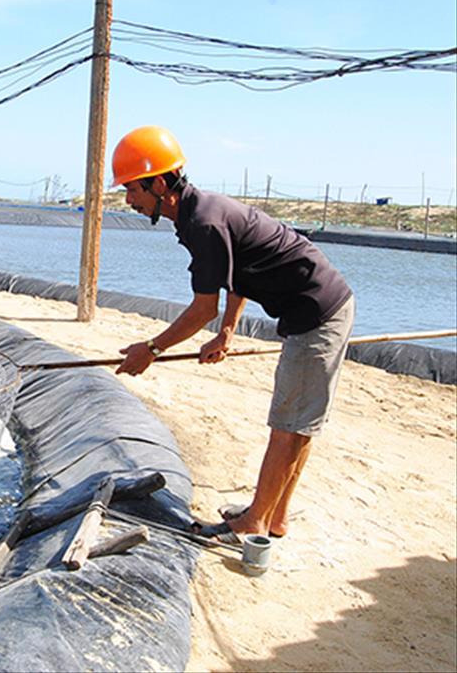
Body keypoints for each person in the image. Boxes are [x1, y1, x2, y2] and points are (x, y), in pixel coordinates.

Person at [111, 126, 355, 542]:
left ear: (158, 183)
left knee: (289, 425)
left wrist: (151, 349)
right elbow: (239, 275)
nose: (129, 200)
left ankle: (256, 520)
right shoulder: (198, 214)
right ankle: (275, 515)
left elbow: (202, 306)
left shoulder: (203, 222)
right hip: (318, 308)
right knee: (300, 424)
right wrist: (227, 332)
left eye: (132, 190)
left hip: (316, 316)